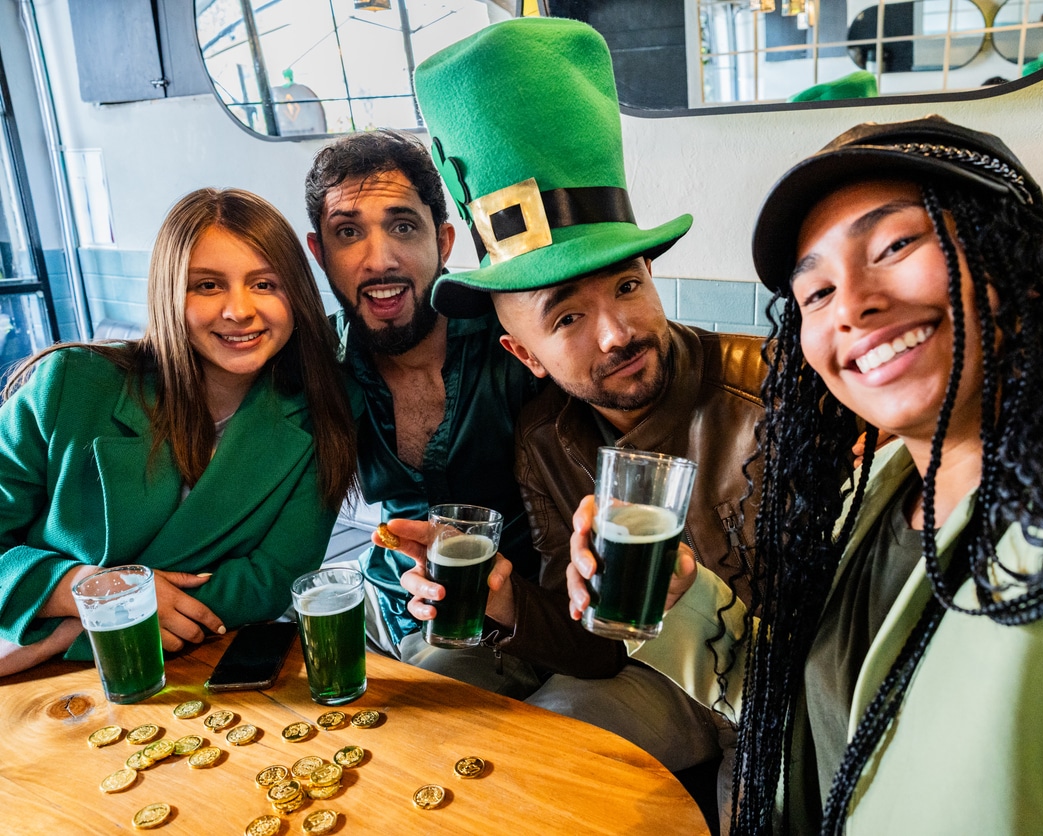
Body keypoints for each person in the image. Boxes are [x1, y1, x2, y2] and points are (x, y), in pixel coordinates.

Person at [566, 116, 1043, 834]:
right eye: (817, 293)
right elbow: (812, 715)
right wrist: (679, 598)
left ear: (1016, 262)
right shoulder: (880, 495)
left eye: (895, 245)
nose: (854, 304)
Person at [382, 17, 767, 831]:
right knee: (422, 694)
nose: (618, 332)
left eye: (626, 287)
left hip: (729, 683)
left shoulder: (764, 391)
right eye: (567, 318)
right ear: (522, 354)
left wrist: (695, 593)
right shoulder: (549, 437)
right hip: (619, 662)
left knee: (541, 748)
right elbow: (591, 643)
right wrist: (501, 599)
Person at [0, 188, 357, 677]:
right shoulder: (71, 383)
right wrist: (78, 589)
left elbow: (270, 579)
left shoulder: (320, 413)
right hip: (32, 664)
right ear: (169, 293)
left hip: (178, 659)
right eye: (208, 286)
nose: (239, 310)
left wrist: (96, 622)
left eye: (265, 284)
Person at [303, 129, 543, 695]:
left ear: (444, 240)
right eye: (348, 232)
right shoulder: (320, 368)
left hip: (507, 623)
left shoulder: (511, 342)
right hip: (382, 610)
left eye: (403, 227)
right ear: (320, 253)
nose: (379, 259)